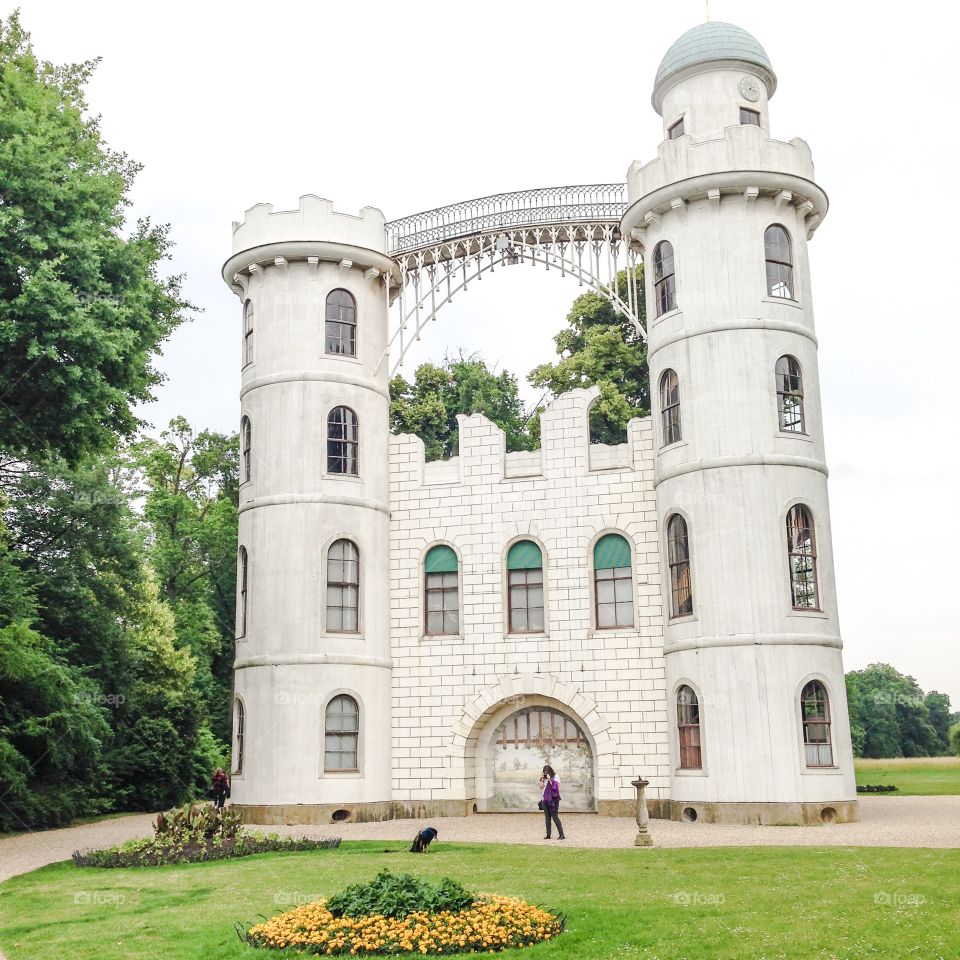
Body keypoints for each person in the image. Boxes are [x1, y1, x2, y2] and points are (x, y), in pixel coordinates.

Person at [539, 765, 565, 840]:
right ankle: (548, 835)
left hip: (553, 801)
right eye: (544, 772)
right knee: (547, 818)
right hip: (545, 800)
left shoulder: (556, 776)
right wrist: (542, 779)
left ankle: (562, 834)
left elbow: (557, 787)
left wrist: (550, 779)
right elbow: (540, 787)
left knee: (555, 817)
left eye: (547, 772)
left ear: (550, 771)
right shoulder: (543, 778)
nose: (545, 773)